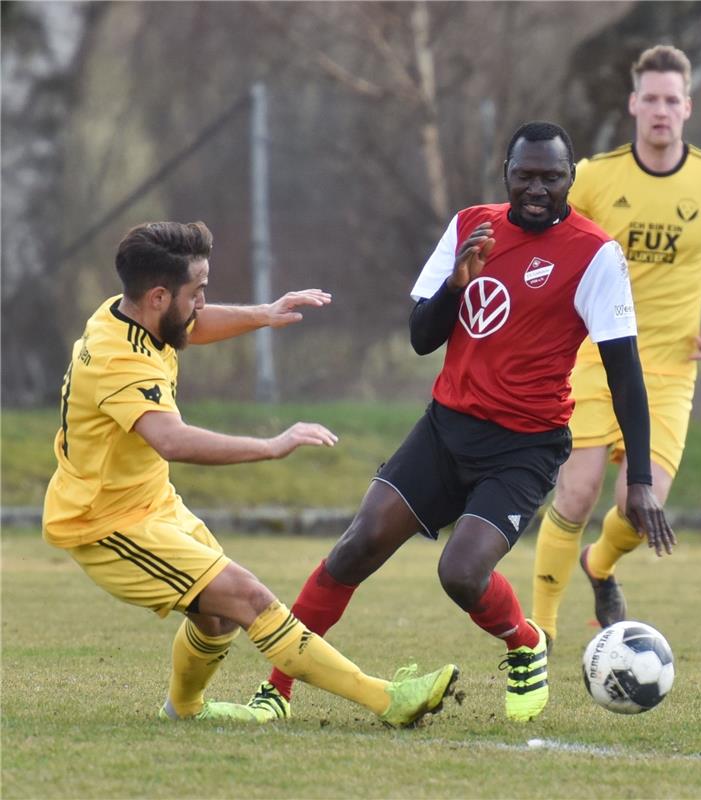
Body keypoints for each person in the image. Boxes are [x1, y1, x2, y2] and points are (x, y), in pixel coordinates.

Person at [251, 121, 674, 724]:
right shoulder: (469, 226)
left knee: (461, 572)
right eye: (525, 175)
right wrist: (456, 285)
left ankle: (524, 641)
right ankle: (277, 690)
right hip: (446, 429)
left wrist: (637, 482)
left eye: (550, 177)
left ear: (570, 179)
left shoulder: (595, 254)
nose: (536, 188)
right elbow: (422, 337)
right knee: (356, 547)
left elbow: (625, 374)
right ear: (506, 174)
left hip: (525, 446)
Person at [42, 221, 458, 726]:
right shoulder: (118, 359)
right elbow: (172, 439)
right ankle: (388, 700)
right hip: (107, 523)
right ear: (157, 296)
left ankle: (183, 711)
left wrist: (265, 314)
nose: (202, 303)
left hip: (151, 503)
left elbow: (191, 326)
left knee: (216, 620)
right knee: (249, 597)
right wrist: (271, 445)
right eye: (197, 292)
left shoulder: (132, 313)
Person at [532, 45, 701, 643]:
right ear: (634, 104)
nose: (661, 111)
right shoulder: (595, 176)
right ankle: (541, 633)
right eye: (651, 99)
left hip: (670, 370)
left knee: (642, 508)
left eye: (672, 100)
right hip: (595, 359)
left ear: (687, 107)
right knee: (578, 490)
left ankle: (600, 563)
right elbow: (546, 238)